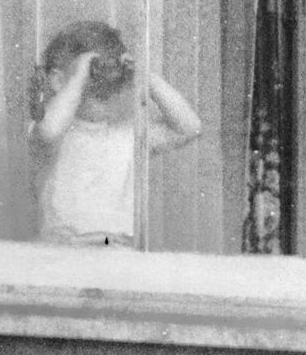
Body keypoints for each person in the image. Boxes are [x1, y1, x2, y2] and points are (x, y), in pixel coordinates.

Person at [28, 21, 201, 248]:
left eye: (111, 87)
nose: (104, 92)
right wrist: (81, 75)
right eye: (93, 87)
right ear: (59, 81)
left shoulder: (128, 134)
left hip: (118, 246)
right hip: (62, 245)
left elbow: (190, 127)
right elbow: (49, 130)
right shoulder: (53, 131)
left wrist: (146, 77)